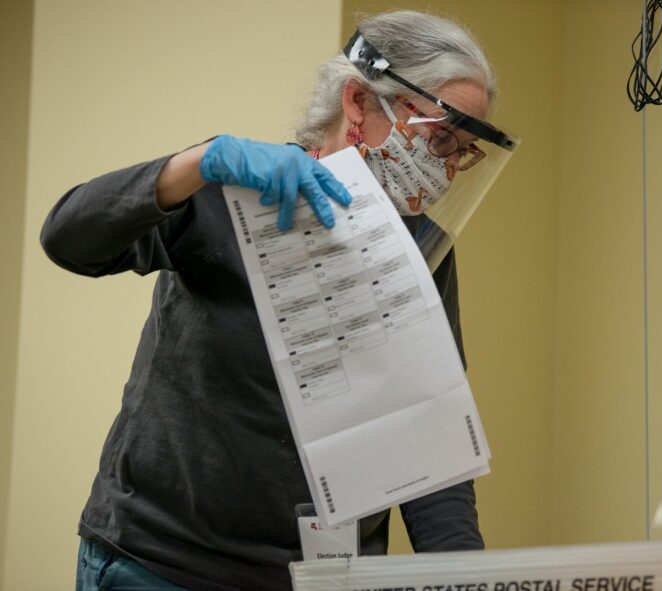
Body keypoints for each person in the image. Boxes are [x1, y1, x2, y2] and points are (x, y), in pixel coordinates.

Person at [44, 10, 517, 591]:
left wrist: (464, 576)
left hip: (327, 576)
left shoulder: (419, 246)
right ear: (357, 103)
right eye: (440, 135)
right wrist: (198, 163)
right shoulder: (233, 195)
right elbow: (68, 239)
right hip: (166, 564)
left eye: (463, 151)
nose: (445, 167)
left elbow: (428, 435)